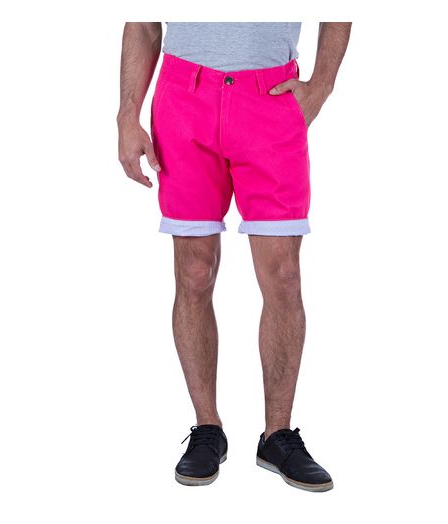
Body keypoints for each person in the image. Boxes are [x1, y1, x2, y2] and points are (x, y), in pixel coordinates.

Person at [117, 21, 351, 492]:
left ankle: (277, 434)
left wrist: (321, 85)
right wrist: (127, 114)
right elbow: (143, 23)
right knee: (194, 271)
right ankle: (208, 428)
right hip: (184, 98)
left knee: (284, 274)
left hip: (271, 98)